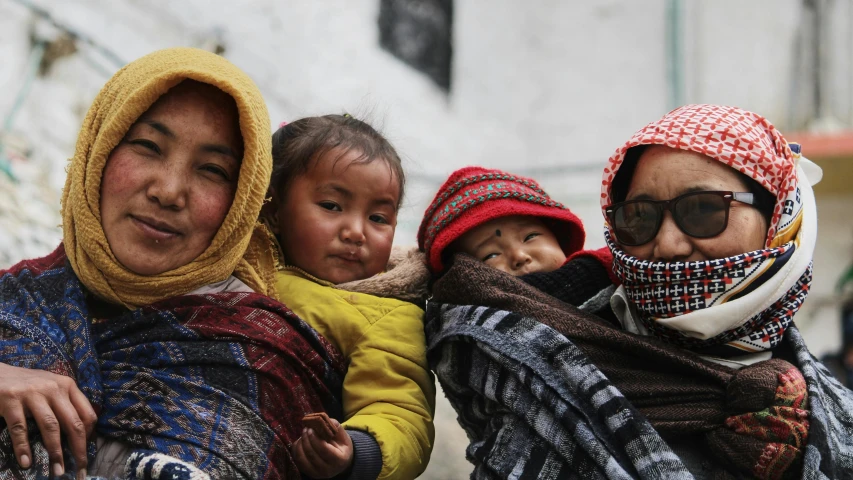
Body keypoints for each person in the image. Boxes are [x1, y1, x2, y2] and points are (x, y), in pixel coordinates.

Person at [424, 104, 853, 479]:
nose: (667, 245)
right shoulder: (535, 368)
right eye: (640, 217)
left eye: (704, 209)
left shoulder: (832, 409)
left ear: (779, 217)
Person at [0, 48, 344, 480]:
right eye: (147, 146)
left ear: (242, 203)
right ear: (98, 152)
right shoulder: (14, 298)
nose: (169, 190)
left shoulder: (263, 364)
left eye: (213, 170)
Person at [260, 115, 435, 480]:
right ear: (274, 210)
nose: (356, 232)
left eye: (378, 217)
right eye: (332, 206)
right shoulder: (233, 263)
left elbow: (400, 410)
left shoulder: (385, 312)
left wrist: (357, 450)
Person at [418, 165, 618, 321]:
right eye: (491, 255)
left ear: (559, 238)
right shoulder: (471, 326)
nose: (520, 257)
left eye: (530, 237)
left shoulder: (620, 276)